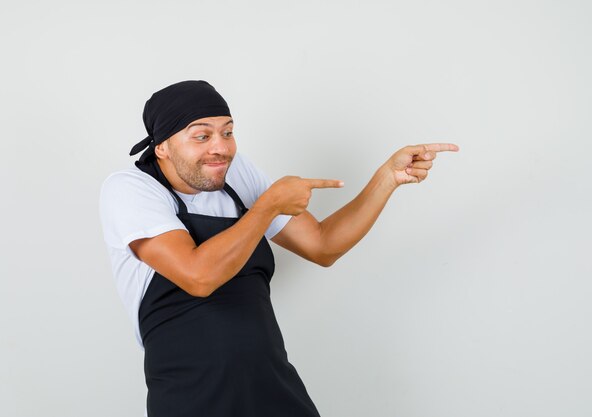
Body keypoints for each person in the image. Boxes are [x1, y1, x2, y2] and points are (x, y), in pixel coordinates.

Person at [99, 80, 459, 417]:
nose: (221, 147)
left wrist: (386, 179)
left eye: (228, 132)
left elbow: (322, 246)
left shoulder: (234, 175)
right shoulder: (130, 190)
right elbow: (198, 276)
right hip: (192, 397)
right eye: (201, 136)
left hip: (272, 388)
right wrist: (268, 206)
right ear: (161, 146)